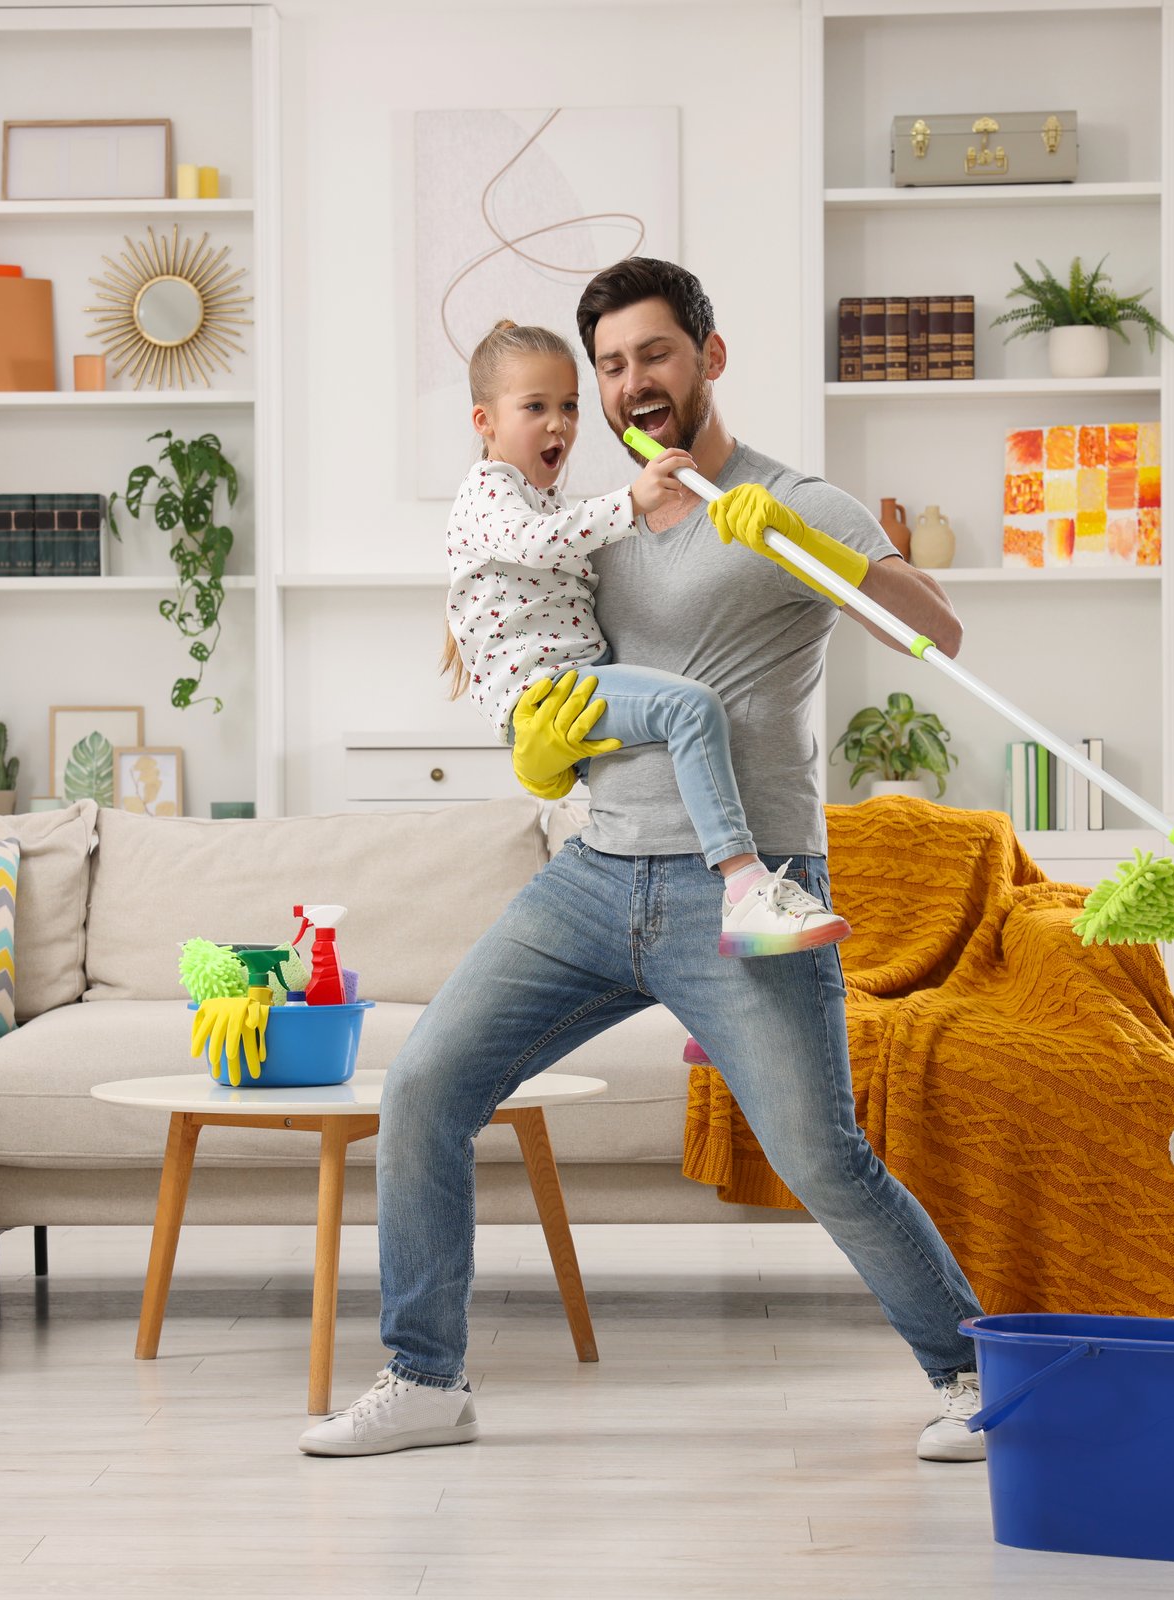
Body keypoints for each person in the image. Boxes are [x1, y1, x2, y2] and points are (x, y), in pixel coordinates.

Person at [300, 258, 988, 1464]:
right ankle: (425, 1378)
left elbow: (937, 629)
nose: (630, 385)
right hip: (593, 875)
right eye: (608, 366)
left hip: (745, 891)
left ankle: (979, 1371)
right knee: (421, 1092)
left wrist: (816, 547)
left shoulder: (790, 497)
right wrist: (539, 754)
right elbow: (520, 628)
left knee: (821, 1153)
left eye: (653, 356)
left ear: (710, 358)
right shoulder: (596, 517)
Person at [438, 318, 848, 956]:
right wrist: (629, 504)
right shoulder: (491, 492)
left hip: (570, 687)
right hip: (550, 693)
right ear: (484, 421)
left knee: (680, 710)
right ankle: (744, 884)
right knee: (690, 706)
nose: (559, 424)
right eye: (535, 407)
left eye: (570, 406)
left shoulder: (549, 501)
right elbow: (535, 543)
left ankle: (704, 986)